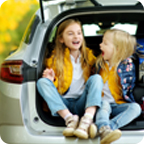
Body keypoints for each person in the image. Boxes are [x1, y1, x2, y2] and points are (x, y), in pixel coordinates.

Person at [37, 19, 103, 139]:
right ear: (61, 39)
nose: (76, 36)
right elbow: (55, 89)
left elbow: (102, 71)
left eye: (79, 33)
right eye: (70, 33)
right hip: (63, 103)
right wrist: (51, 80)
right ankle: (70, 119)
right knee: (42, 82)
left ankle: (87, 119)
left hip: (82, 103)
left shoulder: (89, 57)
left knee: (97, 78)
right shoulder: (54, 60)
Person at [94, 29, 141, 144]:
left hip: (119, 105)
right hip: (101, 104)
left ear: (117, 49)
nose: (100, 45)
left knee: (136, 108)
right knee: (104, 105)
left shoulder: (128, 65)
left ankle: (106, 128)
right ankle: (104, 127)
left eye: (105, 43)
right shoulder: (99, 64)